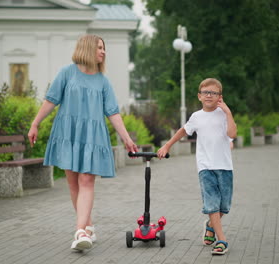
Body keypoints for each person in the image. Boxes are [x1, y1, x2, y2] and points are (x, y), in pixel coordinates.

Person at [28, 34, 138, 251]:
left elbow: (113, 112)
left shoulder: (103, 81)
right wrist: (35, 123)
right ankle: (87, 226)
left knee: (86, 181)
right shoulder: (67, 73)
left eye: (104, 48)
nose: (103, 52)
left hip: (92, 136)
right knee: (72, 183)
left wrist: (126, 139)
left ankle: (79, 232)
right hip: (68, 133)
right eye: (99, 47)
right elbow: (51, 100)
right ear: (87, 48)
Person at [157, 78, 237, 255]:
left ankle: (210, 226)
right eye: (206, 92)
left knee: (224, 206)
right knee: (212, 204)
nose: (209, 96)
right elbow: (183, 131)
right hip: (205, 167)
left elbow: (232, 134)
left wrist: (228, 112)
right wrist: (167, 145)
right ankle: (221, 239)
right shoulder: (196, 116)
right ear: (199, 96)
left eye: (214, 93)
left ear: (220, 97)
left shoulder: (224, 114)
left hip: (224, 166)